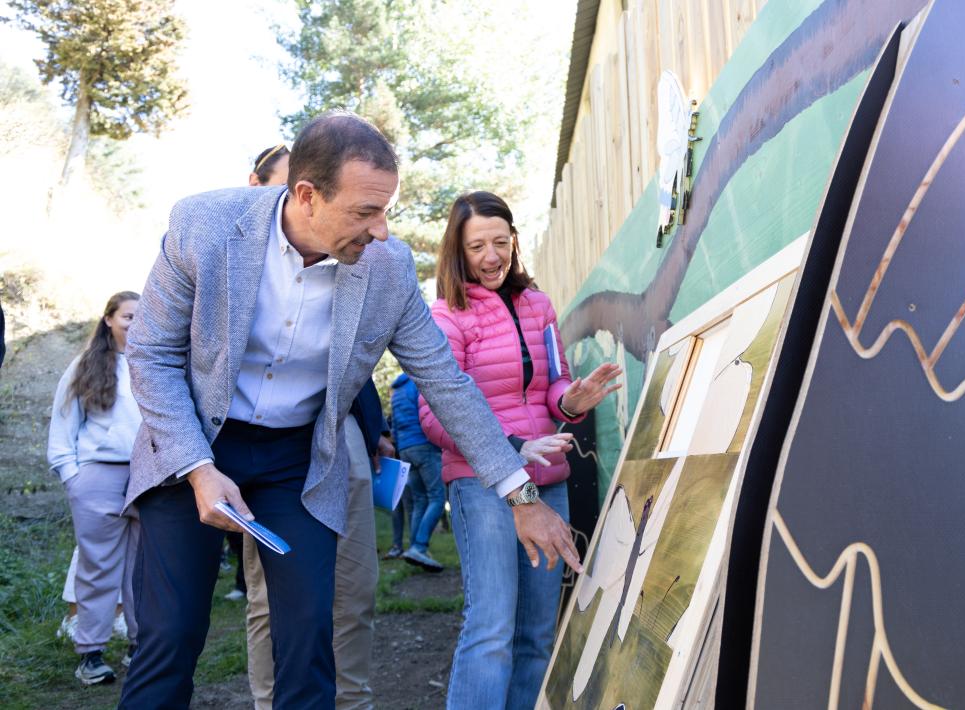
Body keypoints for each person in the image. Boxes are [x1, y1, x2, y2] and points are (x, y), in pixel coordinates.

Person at [117, 112, 580, 710]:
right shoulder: (204, 225)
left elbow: (446, 381)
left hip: (299, 461)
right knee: (171, 635)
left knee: (311, 636)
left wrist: (520, 494)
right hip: (192, 443)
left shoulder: (387, 269)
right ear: (306, 196)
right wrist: (200, 470)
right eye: (365, 212)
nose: (382, 231)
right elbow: (151, 354)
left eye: (386, 209)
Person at [420, 191, 621, 709]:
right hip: (481, 485)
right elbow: (434, 416)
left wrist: (572, 400)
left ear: (514, 242)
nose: (491, 256)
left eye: (501, 242)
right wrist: (512, 447)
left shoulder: (538, 305)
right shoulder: (446, 316)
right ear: (457, 251)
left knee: (536, 635)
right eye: (477, 246)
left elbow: (555, 386)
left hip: (548, 483)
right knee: (491, 631)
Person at [238, 142, 394, 710]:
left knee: (353, 588)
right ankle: (269, 701)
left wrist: (371, 427)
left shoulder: (365, 259)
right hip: (260, 444)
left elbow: (364, 355)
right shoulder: (228, 247)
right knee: (271, 597)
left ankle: (349, 702)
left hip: (340, 431)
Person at [47, 291, 142, 685]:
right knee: (97, 567)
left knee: (144, 570)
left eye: (141, 317)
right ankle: (91, 654)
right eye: (127, 317)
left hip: (149, 479)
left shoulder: (157, 360)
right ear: (109, 320)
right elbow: (62, 425)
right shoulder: (86, 365)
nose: (134, 324)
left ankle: (142, 650)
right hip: (97, 478)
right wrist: (73, 476)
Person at [390, 373, 444, 571]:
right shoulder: (417, 384)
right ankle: (419, 547)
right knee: (438, 498)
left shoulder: (397, 391)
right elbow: (428, 417)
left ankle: (415, 549)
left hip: (405, 449)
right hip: (424, 446)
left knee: (420, 500)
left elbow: (394, 427)